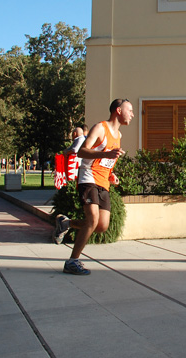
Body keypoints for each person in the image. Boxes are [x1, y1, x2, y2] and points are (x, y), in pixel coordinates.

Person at [54, 99, 134, 275]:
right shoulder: (100, 128)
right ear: (118, 111)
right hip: (88, 177)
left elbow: (107, 160)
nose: (132, 114)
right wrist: (105, 153)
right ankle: (72, 261)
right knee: (92, 220)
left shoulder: (119, 135)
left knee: (101, 226)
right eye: (130, 110)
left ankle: (66, 223)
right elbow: (82, 151)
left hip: (103, 181)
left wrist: (111, 174)